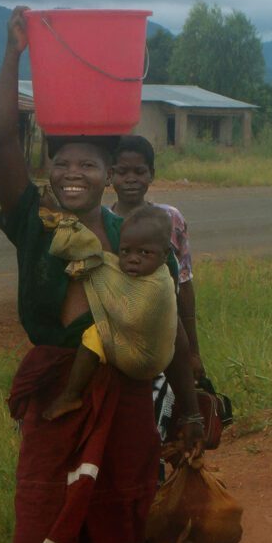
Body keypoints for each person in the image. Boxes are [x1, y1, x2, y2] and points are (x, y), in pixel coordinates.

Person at [0, 6, 204, 543]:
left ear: (113, 176)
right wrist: (14, 57)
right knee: (39, 527)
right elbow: (2, 139)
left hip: (125, 397)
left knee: (115, 527)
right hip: (55, 393)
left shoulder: (132, 236)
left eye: (88, 164)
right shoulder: (31, 222)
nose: (72, 172)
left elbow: (168, 326)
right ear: (48, 172)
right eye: (62, 162)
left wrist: (192, 402)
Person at [42, 203, 178, 421]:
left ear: (165, 255)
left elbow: (130, 316)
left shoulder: (159, 285)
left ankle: (71, 394)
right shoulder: (128, 269)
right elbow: (105, 260)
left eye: (145, 252)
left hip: (145, 360)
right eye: (126, 251)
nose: (133, 258)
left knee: (93, 335)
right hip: (137, 351)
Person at [109, 135, 205, 439]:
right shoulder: (101, 222)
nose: (131, 179)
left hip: (164, 342)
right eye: (123, 172)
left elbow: (184, 285)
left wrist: (193, 352)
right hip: (117, 345)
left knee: (157, 429)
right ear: (110, 174)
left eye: (139, 171)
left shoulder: (170, 218)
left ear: (152, 173)